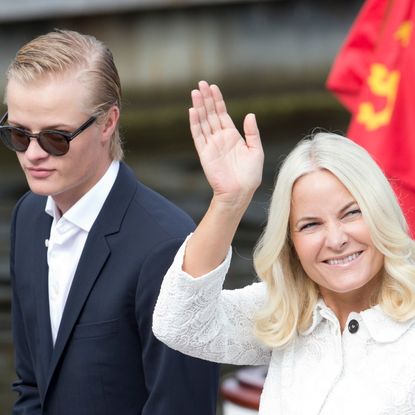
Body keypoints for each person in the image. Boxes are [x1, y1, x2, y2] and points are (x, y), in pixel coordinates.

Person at [153, 80, 415, 414]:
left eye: (351, 214)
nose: (336, 240)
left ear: (380, 211)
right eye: (311, 225)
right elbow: (179, 324)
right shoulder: (284, 310)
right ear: (290, 243)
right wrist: (230, 201)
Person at [1, 30, 219, 415]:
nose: (32, 155)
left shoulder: (168, 244)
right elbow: (32, 383)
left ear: (107, 123)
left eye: (55, 137)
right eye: (18, 134)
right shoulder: (29, 217)